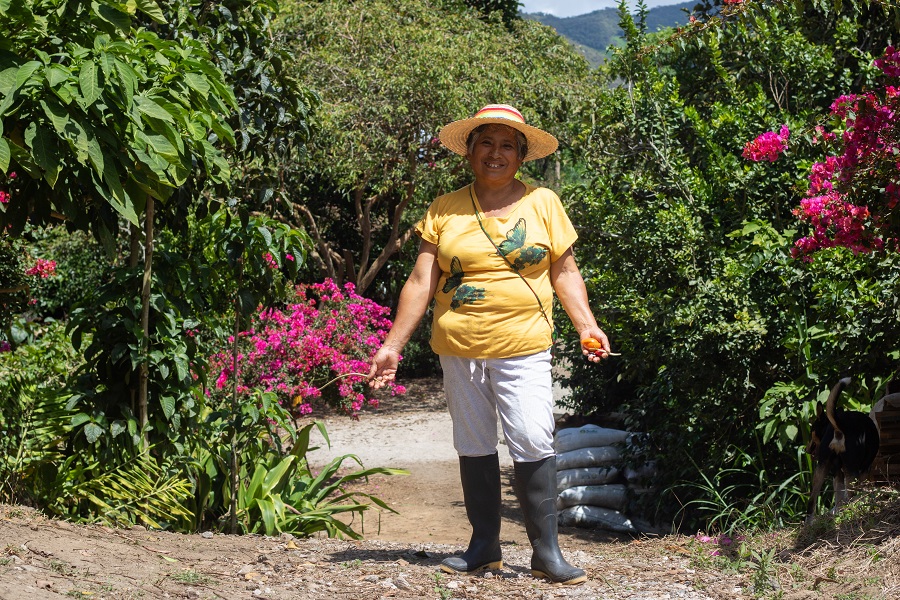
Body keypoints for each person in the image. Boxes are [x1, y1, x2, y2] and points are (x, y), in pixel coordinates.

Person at [367, 104, 611, 586]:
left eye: (506, 145)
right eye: (486, 143)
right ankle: (484, 548)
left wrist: (587, 325)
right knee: (473, 441)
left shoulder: (543, 203)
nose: (495, 153)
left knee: (533, 437)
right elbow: (420, 281)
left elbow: (565, 272)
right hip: (458, 345)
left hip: (524, 343)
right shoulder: (445, 207)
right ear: (469, 152)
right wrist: (393, 345)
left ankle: (546, 553)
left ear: (520, 155)